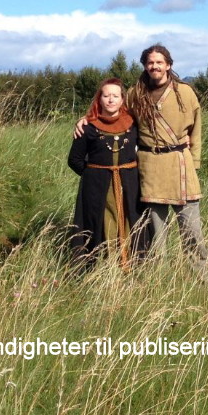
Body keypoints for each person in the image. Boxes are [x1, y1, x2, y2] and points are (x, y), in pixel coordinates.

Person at [74, 45, 208, 282]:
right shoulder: (136, 93)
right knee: (156, 236)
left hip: (181, 166)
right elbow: (114, 114)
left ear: (168, 64)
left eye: (159, 62)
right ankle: (157, 284)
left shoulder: (185, 92)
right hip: (149, 170)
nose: (154, 66)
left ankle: (202, 281)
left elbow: (196, 130)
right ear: (145, 65)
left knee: (192, 232)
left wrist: (194, 162)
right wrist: (87, 120)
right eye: (150, 62)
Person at [67, 78, 146, 272]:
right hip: (98, 188)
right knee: (102, 224)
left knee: (130, 221)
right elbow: (74, 160)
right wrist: (93, 176)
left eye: (115, 96)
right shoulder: (88, 127)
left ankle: (130, 266)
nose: (111, 100)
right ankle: (105, 267)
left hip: (129, 186)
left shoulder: (133, 124)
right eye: (106, 95)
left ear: (122, 100)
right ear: (99, 99)